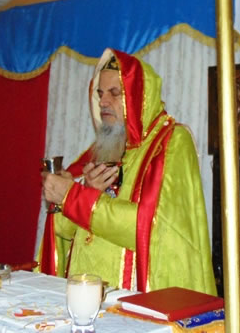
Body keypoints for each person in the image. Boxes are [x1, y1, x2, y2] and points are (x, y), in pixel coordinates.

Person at [39, 48, 216, 295]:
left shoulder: (172, 142)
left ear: (140, 96)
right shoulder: (103, 148)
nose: (103, 102)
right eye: (100, 94)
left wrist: (74, 197)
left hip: (133, 297)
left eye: (114, 93)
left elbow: (150, 227)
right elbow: (64, 231)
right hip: (85, 293)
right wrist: (83, 192)